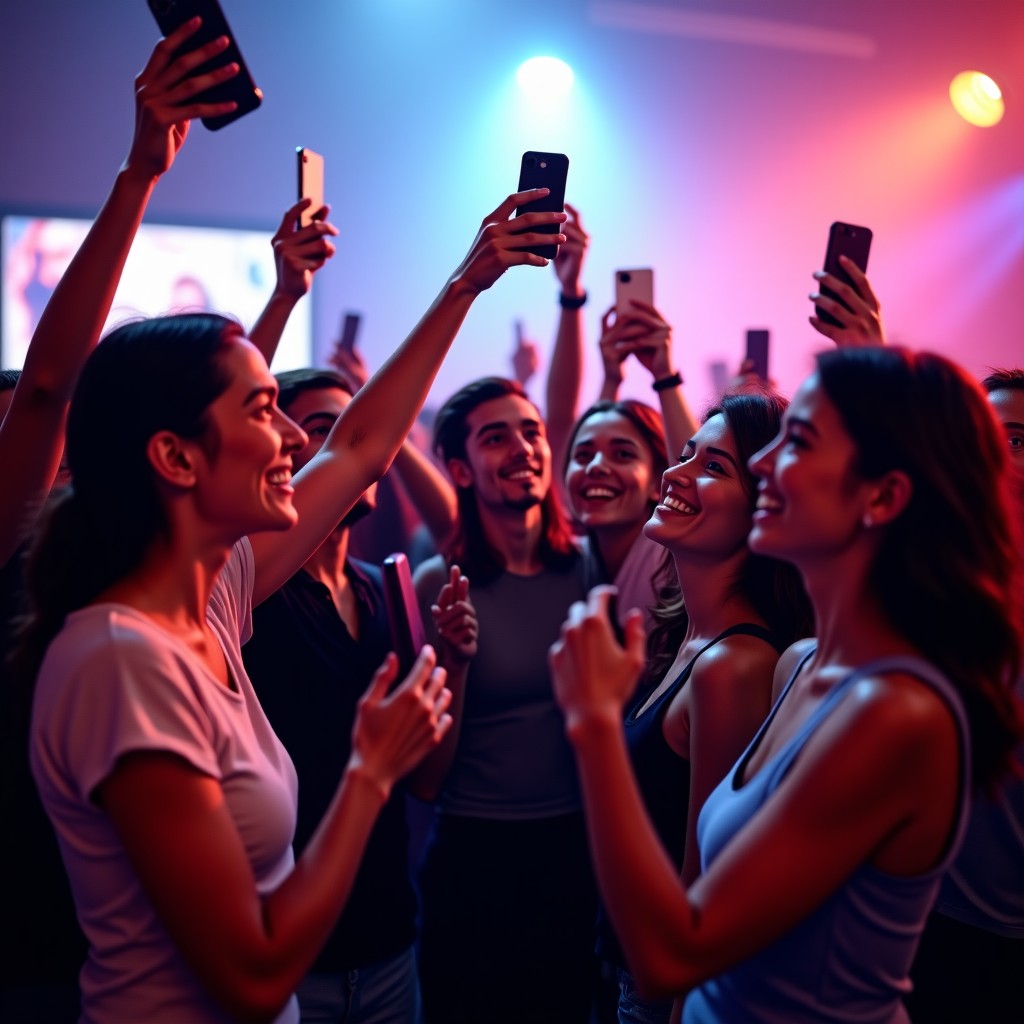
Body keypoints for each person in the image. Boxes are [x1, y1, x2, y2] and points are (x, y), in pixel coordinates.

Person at [16, 23, 568, 1024]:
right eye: (263, 413)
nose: (291, 443)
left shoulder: (212, 596)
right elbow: (252, 972)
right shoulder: (119, 660)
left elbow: (358, 446)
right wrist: (369, 771)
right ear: (176, 458)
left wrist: (468, 277)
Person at [550, 344, 1023, 1023]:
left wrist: (594, 725)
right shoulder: (800, 661)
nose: (764, 462)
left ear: (884, 495)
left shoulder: (897, 709)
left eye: (796, 442)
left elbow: (671, 957)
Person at [241, 367, 465, 1024]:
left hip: (389, 938)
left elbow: (425, 780)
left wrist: (454, 661)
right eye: (324, 430)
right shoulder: (248, 595)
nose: (355, 446)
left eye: (358, 426)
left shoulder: (389, 587)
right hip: (285, 952)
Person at [594, 387, 812, 1024]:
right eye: (685, 454)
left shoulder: (734, 666)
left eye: (713, 467)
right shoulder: (688, 636)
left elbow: (703, 896)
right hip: (622, 965)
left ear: (765, 505)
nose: (674, 474)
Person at [413, 376, 596, 1024]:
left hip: (577, 850)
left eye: (532, 432)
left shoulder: (590, 568)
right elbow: (427, 781)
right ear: (460, 469)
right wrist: (456, 666)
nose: (523, 448)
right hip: (475, 859)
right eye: (497, 438)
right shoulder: (439, 585)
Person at [904, 367, 1024, 1024]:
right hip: (913, 918)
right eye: (987, 439)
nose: (1000, 459)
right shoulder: (929, 591)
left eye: (1020, 440)